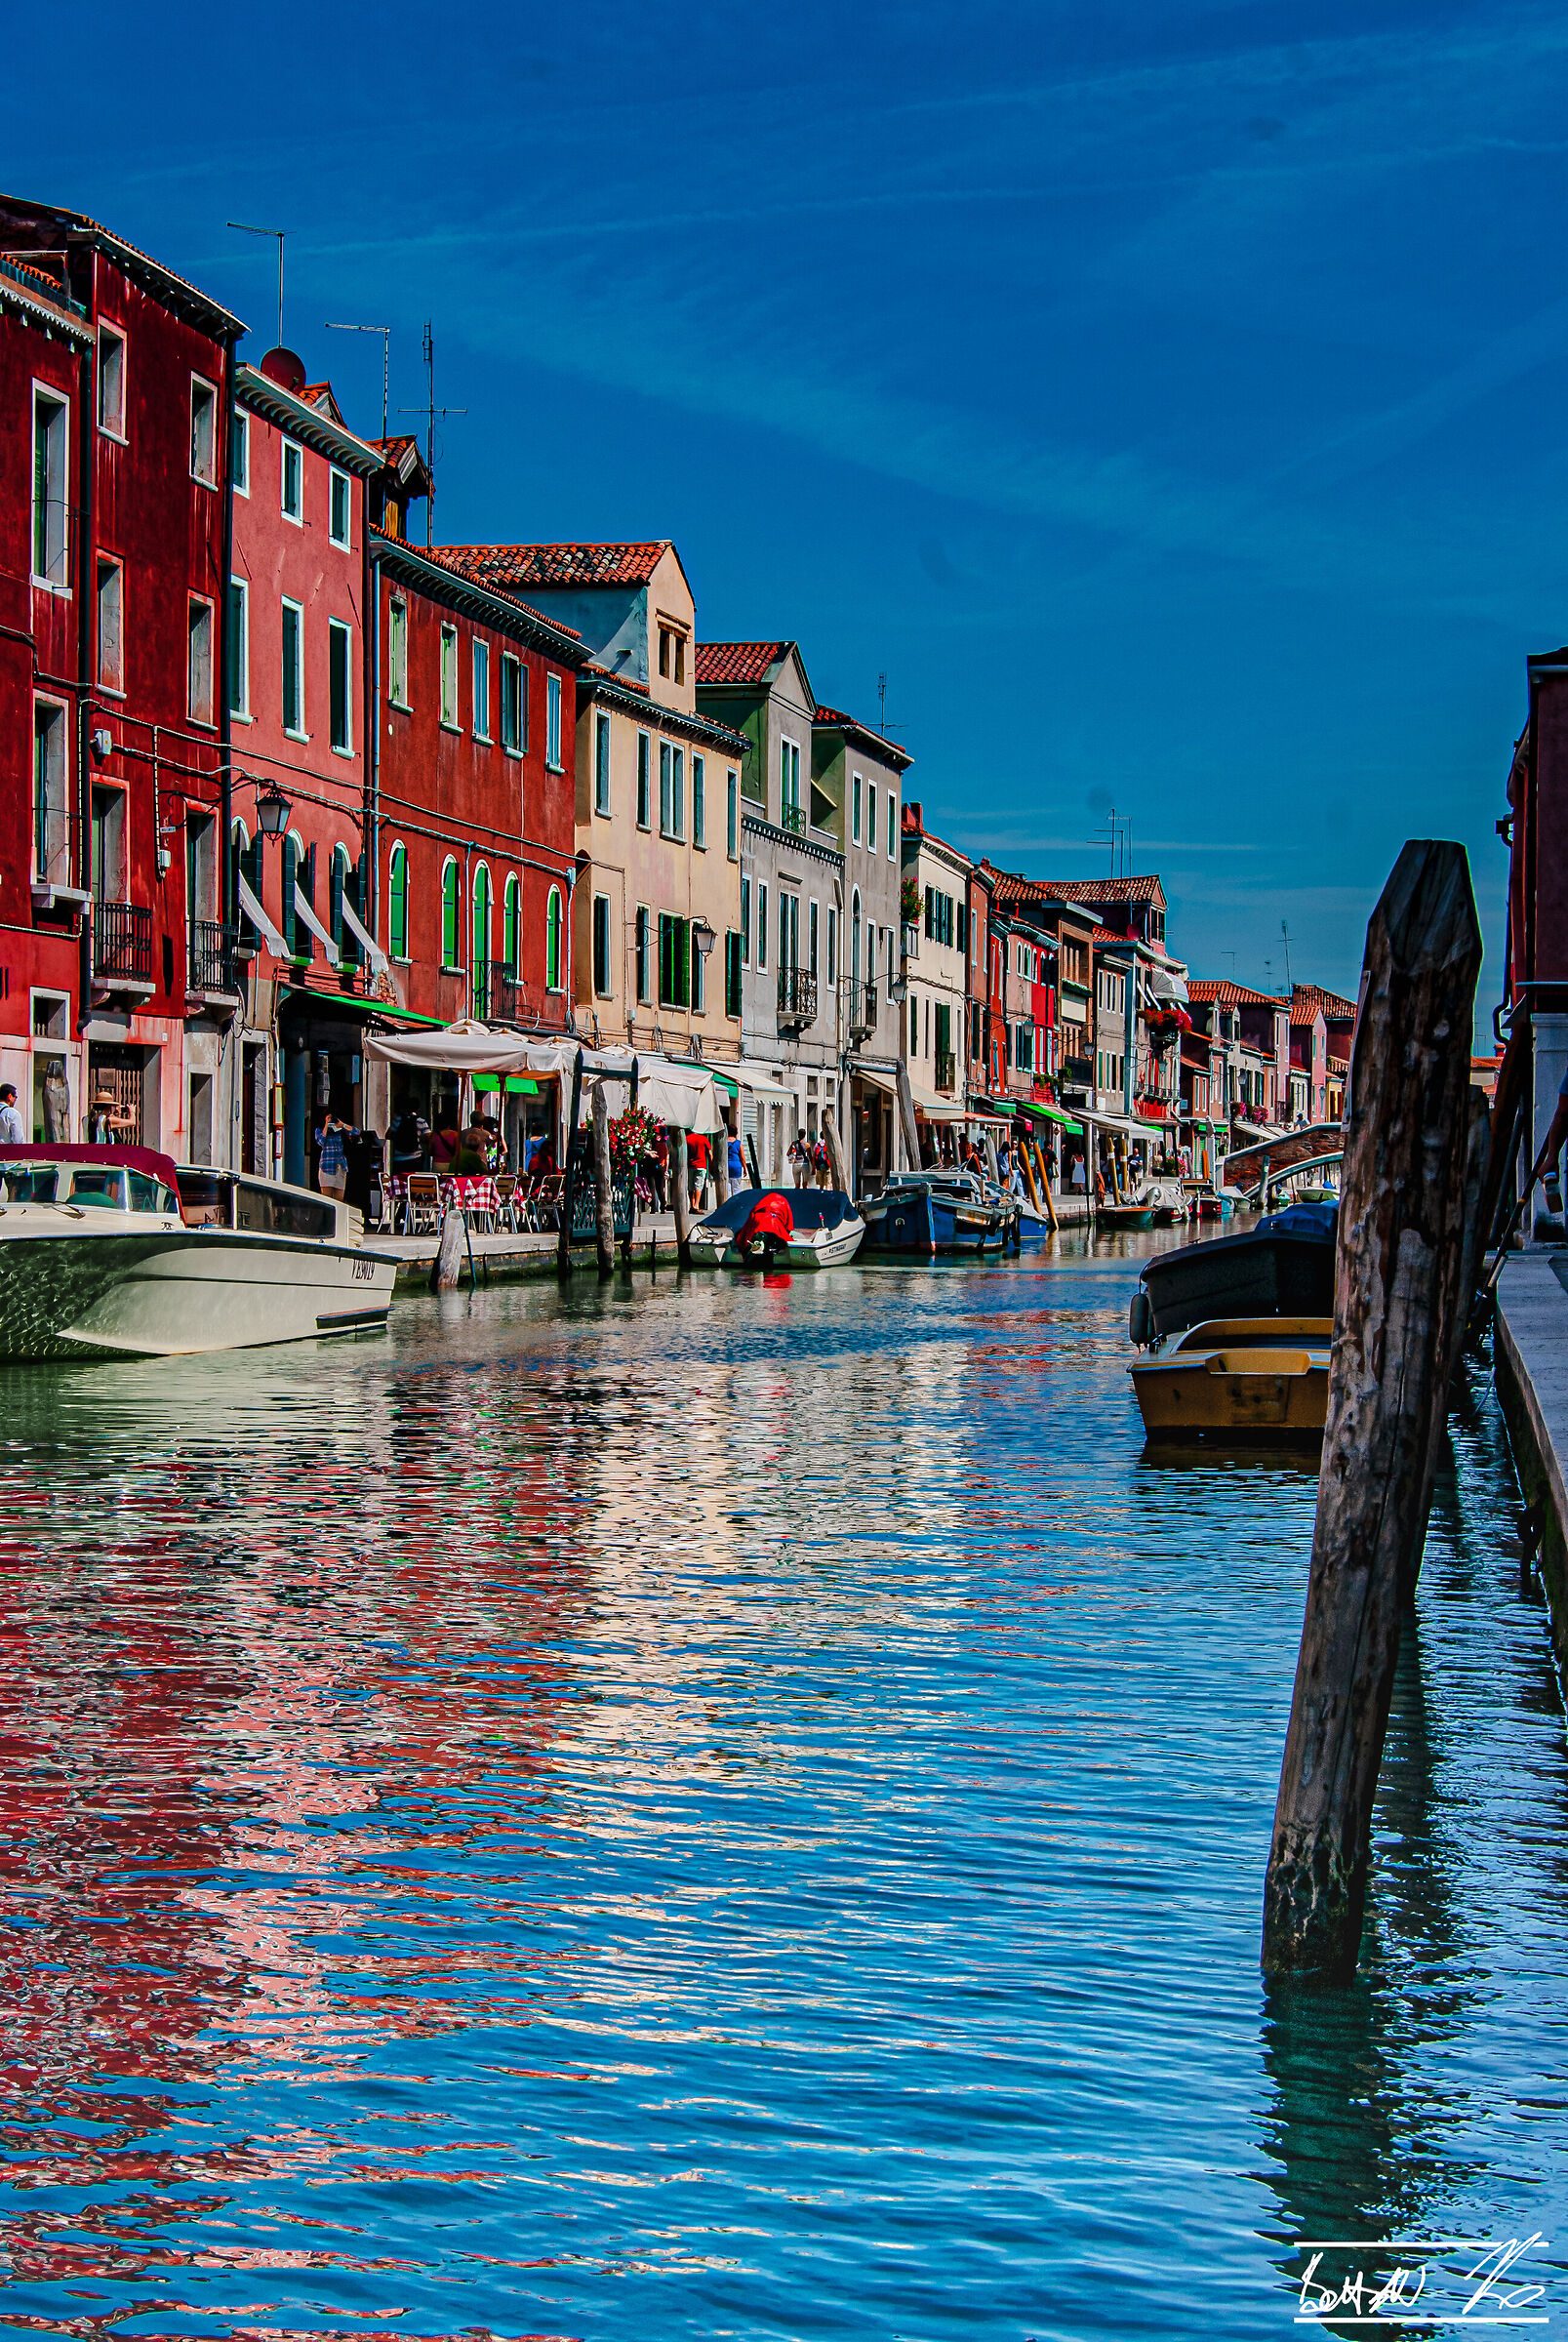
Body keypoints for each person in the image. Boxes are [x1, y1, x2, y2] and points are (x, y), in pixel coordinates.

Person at [316, 1110, 354, 1200]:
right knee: (327, 1199)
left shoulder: (340, 1131)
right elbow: (321, 1141)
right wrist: (326, 1124)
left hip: (340, 1167)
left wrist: (342, 1125)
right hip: (327, 1167)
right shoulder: (319, 1130)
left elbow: (356, 1131)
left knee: (339, 1199)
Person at [389, 1105, 428, 1174]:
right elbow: (428, 1137)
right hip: (415, 1158)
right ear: (418, 1109)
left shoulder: (397, 1120)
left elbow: (388, 1135)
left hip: (399, 1158)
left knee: (399, 1180)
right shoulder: (421, 1121)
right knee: (414, 1181)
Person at [0, 1084, 25, 1148]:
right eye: (15, 1097)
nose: (15, 1100)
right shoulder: (12, 1114)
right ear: (9, 1096)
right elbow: (18, 1141)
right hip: (5, 1155)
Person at [727, 1120, 744, 1191]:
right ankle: (736, 1201)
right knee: (736, 1188)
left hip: (727, 1166)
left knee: (727, 1189)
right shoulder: (738, 1143)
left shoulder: (723, 1142)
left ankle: (728, 1201)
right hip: (736, 1166)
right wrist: (745, 1168)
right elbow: (742, 1158)